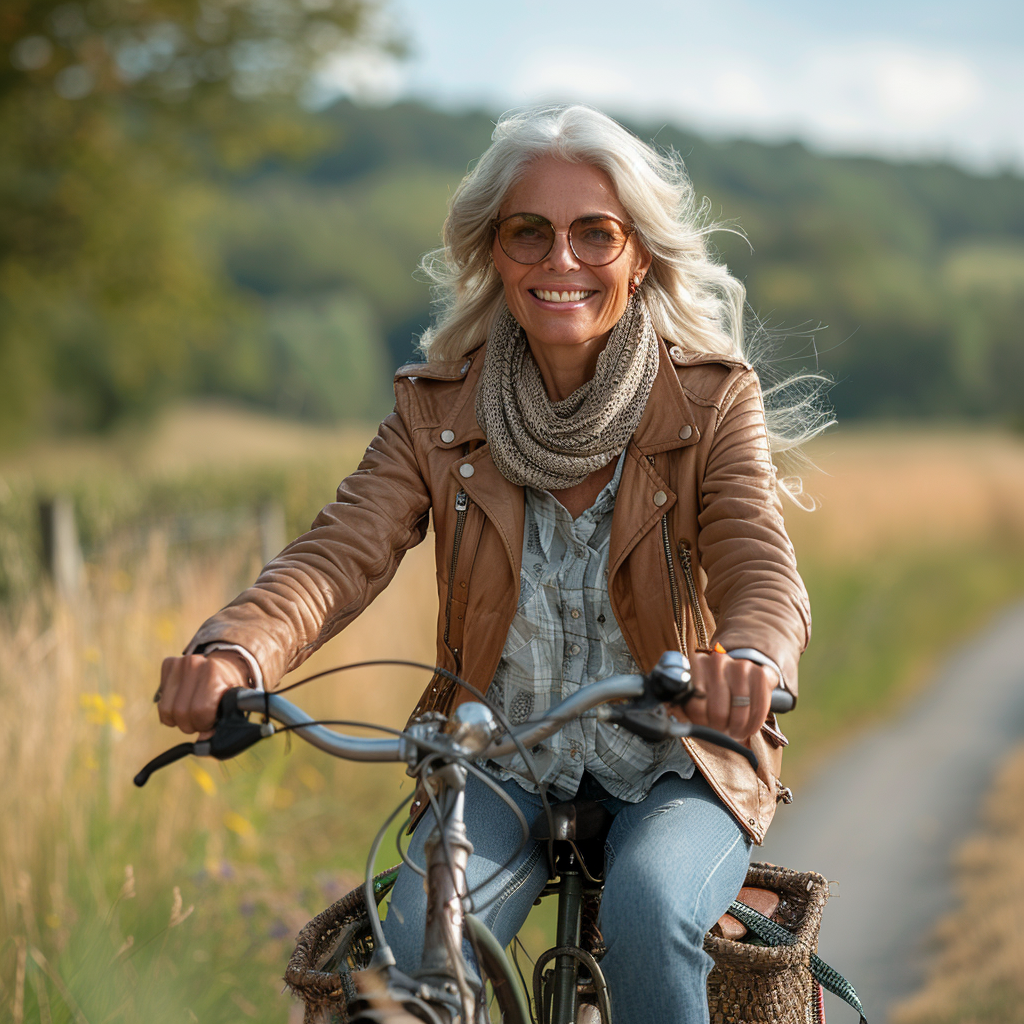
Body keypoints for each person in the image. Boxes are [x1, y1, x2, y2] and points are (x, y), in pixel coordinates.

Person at [156, 104, 822, 1023]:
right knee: (417, 942)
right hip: (497, 757)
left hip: (681, 759)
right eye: (529, 233)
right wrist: (236, 651)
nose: (562, 261)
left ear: (640, 254)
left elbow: (758, 561)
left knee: (652, 909)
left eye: (596, 233)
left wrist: (749, 659)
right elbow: (338, 553)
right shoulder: (436, 409)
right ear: (493, 253)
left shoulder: (708, 402)